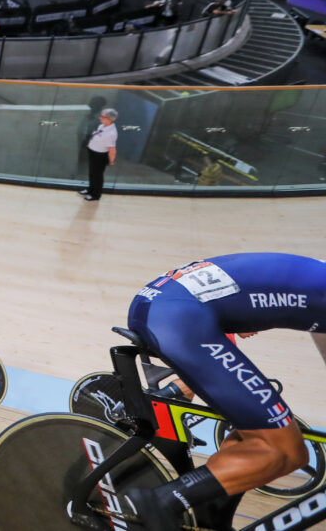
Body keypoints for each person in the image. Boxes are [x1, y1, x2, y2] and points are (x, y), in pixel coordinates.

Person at [125, 253, 326, 531]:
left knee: (256, 437)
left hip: (171, 307)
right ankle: (160, 501)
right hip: (180, 316)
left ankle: (211, 516)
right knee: (287, 452)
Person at [81, 107, 118, 201]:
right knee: (92, 173)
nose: (100, 118)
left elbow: (112, 149)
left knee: (97, 175)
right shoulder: (102, 126)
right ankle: (90, 189)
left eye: (103, 116)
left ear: (110, 119)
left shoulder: (111, 133)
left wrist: (111, 160)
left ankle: (96, 194)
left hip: (100, 156)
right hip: (93, 152)